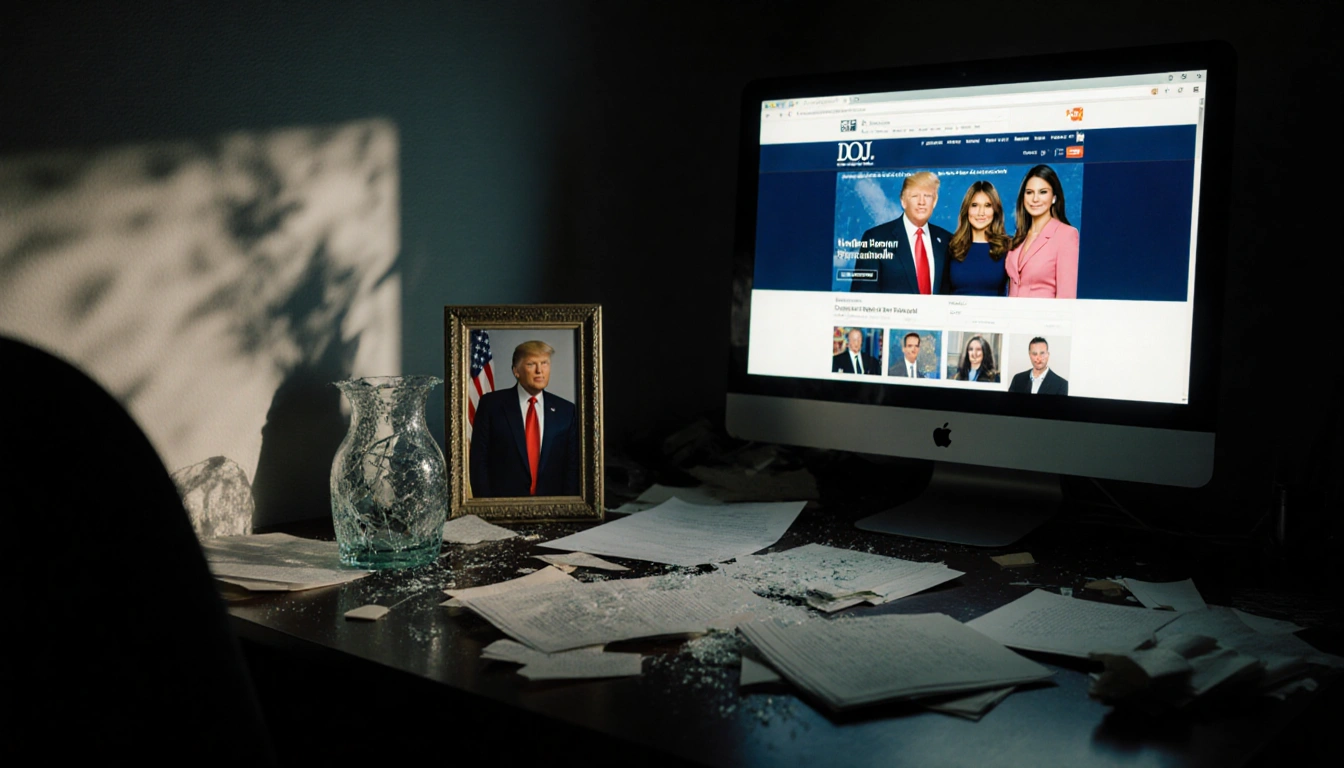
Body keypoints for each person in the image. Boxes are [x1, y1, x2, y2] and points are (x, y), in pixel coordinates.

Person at [469, 340, 580, 498]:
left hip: (552, 510)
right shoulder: (491, 405)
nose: (539, 371)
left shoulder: (566, 411)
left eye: (544, 363)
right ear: (516, 371)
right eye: (531, 364)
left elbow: (572, 468)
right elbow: (479, 463)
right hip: (502, 507)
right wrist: (486, 507)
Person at [851, 171, 952, 295]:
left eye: (927, 196)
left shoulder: (947, 240)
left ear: (935, 201)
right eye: (915, 196)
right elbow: (862, 296)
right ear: (903, 201)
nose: (922, 202)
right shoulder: (875, 238)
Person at [1004, 165, 1079, 298]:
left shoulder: (1066, 235)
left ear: (1054, 197)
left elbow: (1066, 297)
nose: (1035, 199)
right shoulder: (1019, 237)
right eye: (1029, 192)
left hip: (1043, 317)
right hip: (1012, 317)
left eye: (1043, 192)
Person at [943, 180, 1011, 296]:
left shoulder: (1007, 246)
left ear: (995, 210)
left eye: (987, 205)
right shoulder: (951, 245)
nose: (981, 212)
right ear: (967, 209)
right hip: (956, 313)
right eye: (974, 205)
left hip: (993, 313)